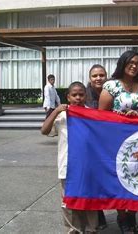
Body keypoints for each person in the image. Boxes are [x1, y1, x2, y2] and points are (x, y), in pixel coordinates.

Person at [41, 81, 99, 234]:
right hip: (67, 166)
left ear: (85, 96)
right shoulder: (61, 115)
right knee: (69, 200)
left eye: (81, 94)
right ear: (68, 97)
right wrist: (55, 111)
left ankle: (91, 229)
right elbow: (44, 130)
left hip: (88, 166)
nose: (78, 98)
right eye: (74, 95)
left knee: (89, 198)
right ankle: (73, 230)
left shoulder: (92, 114)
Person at [99, 50, 138, 234]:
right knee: (120, 178)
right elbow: (101, 116)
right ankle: (122, 216)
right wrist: (118, 117)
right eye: (131, 62)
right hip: (116, 140)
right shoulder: (111, 86)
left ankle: (132, 213)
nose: (135, 66)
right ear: (123, 63)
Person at [84, 64, 108, 229]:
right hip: (90, 145)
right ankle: (96, 217)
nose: (98, 78)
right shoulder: (82, 95)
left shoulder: (113, 91)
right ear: (90, 78)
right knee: (93, 182)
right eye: (95, 76)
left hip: (109, 143)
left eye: (101, 75)